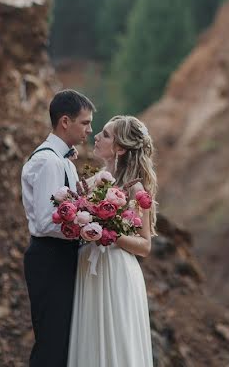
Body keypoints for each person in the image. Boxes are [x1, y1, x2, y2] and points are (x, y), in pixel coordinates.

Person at [68, 115, 157, 367]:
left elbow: (145, 245)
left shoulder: (136, 190)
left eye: (105, 135)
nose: (96, 136)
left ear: (120, 148)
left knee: (117, 345)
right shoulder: (94, 181)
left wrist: (111, 232)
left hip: (116, 272)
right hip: (90, 268)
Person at [21, 89, 94, 367]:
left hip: (59, 256)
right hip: (49, 257)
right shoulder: (49, 161)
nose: (89, 129)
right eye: (85, 123)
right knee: (52, 344)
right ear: (65, 122)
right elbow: (44, 220)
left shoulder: (62, 160)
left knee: (62, 342)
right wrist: (84, 229)